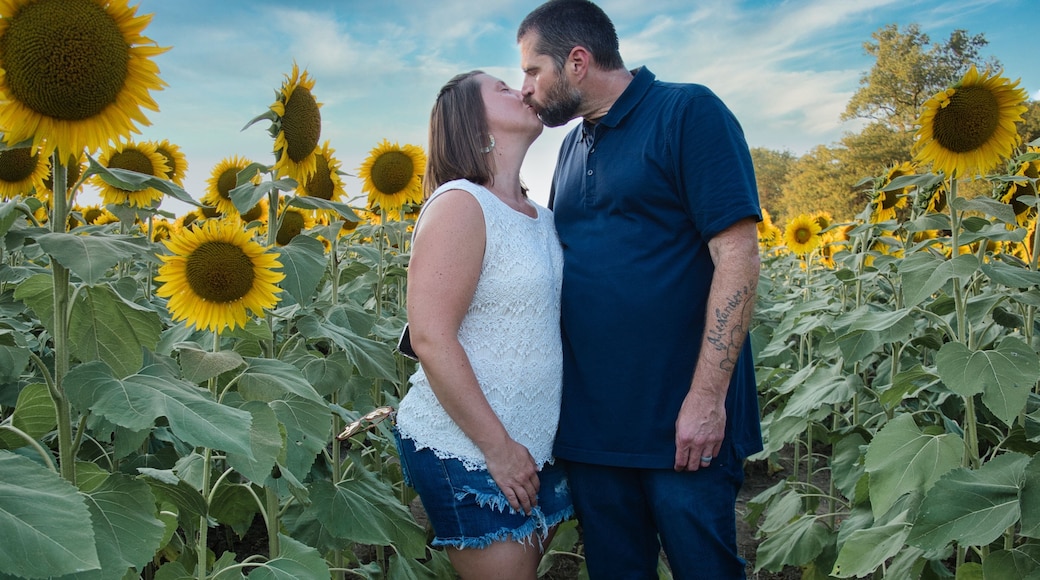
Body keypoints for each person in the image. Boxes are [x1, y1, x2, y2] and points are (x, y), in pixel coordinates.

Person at [516, 1, 763, 578]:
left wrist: (706, 400)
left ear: (577, 61)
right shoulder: (574, 147)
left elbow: (738, 253)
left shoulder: (687, 112)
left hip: (680, 426)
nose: (525, 88)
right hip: (594, 430)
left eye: (533, 71)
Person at [392, 70, 572, 580]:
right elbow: (430, 336)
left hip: (534, 446)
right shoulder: (460, 204)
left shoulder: (541, 215)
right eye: (503, 88)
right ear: (473, 121)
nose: (522, 90)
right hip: (472, 447)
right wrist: (499, 449)